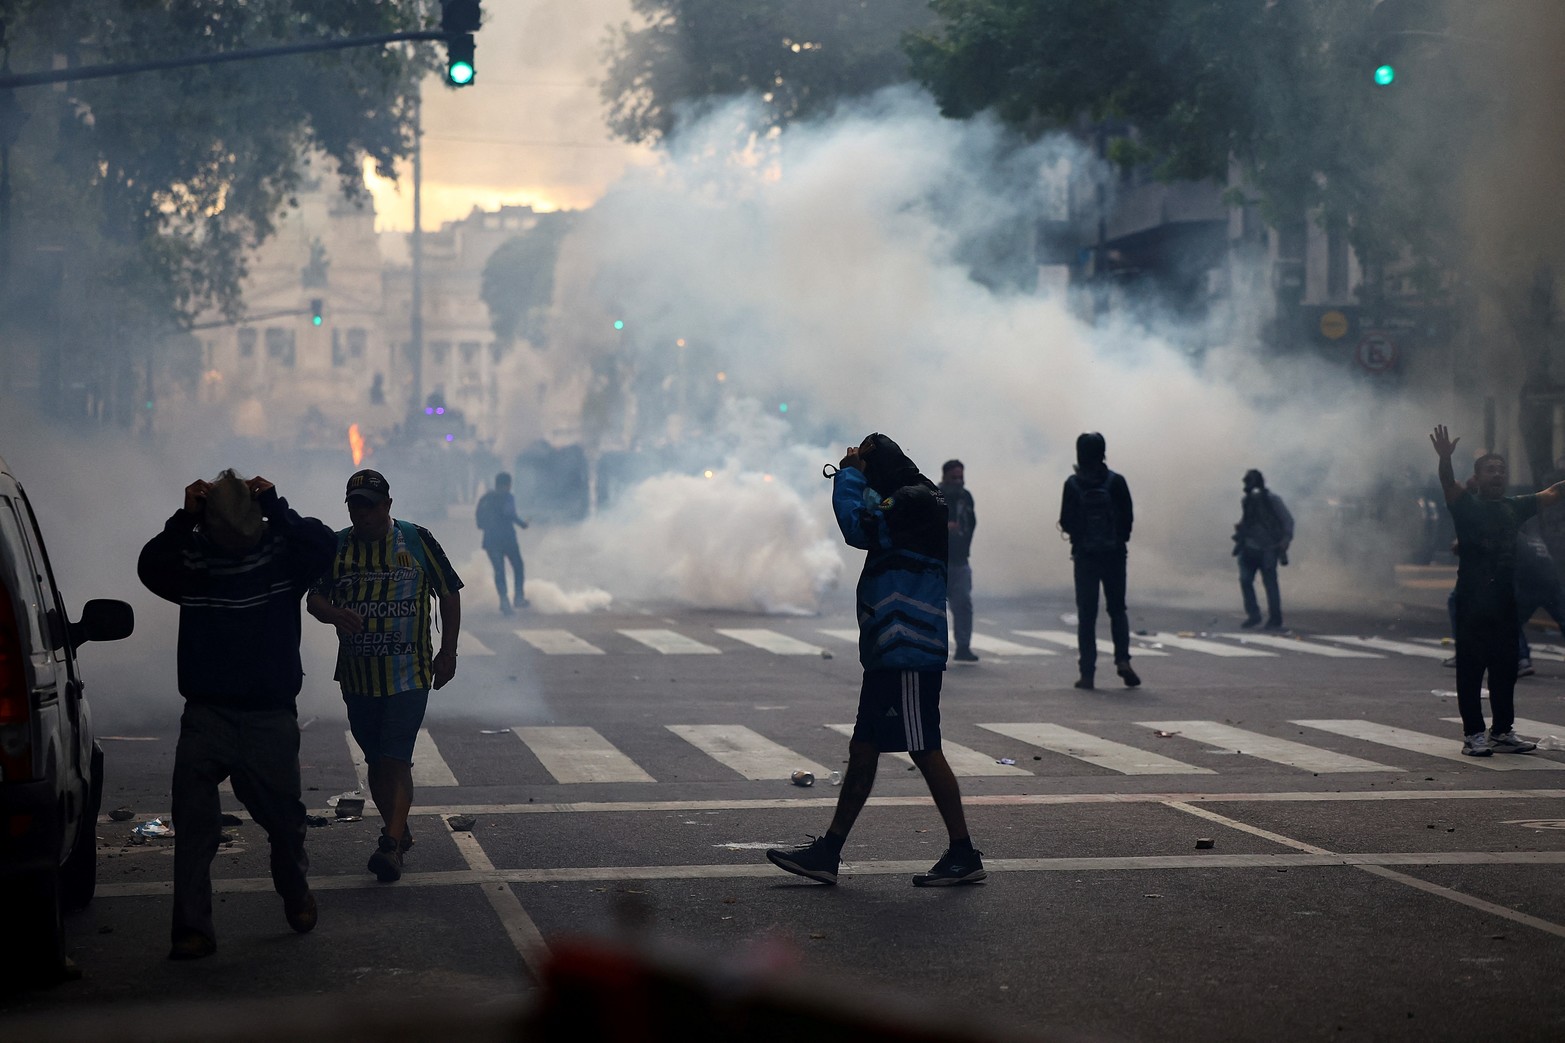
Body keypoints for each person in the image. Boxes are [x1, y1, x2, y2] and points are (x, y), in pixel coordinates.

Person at [767, 433, 985, 887]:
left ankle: (963, 852)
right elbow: (877, 512)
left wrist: (847, 476)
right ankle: (829, 851)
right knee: (864, 749)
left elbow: (858, 527)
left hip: (907, 646)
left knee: (924, 749)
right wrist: (858, 475)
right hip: (893, 645)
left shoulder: (913, 499)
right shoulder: (914, 494)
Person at [137, 470, 337, 960]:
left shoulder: (280, 557)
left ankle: (295, 891)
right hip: (207, 713)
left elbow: (323, 544)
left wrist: (277, 505)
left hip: (268, 715)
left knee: (284, 820)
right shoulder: (194, 559)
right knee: (193, 825)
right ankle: (192, 928)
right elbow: (149, 565)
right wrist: (183, 520)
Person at [306, 469, 464, 882]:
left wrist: (447, 652)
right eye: (355, 506)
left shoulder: (416, 539)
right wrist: (335, 613)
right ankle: (398, 824)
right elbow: (315, 598)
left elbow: (448, 591)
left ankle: (390, 845)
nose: (363, 515)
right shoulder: (336, 545)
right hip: (358, 675)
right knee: (376, 758)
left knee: (396, 757)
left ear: (387, 506)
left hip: (408, 672)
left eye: (370, 506)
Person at [1431, 425, 1565, 756]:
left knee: (1505, 669)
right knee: (1471, 670)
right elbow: (1448, 484)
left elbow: (1551, 493)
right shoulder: (1466, 506)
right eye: (1490, 470)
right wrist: (1445, 458)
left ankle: (1502, 731)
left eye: (1502, 470)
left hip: (1506, 602)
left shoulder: (1514, 506)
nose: (1498, 475)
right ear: (1477, 478)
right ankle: (1473, 734)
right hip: (1472, 602)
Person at [1057, 432, 1140, 689]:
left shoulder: (1072, 484)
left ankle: (1087, 673)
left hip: (1085, 557)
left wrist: (1082, 539)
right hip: (1114, 555)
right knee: (1117, 610)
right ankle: (1123, 660)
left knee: (1087, 615)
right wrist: (1117, 541)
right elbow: (1128, 518)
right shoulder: (1116, 482)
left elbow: (1066, 521)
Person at [1232, 469, 1295, 630]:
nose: (1247, 486)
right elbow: (1247, 520)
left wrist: (1285, 540)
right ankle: (1254, 615)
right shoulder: (1247, 501)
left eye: (1249, 482)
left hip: (1268, 548)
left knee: (1270, 584)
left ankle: (1275, 618)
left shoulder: (1273, 500)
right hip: (1248, 547)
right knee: (1245, 581)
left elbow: (1287, 520)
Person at [940, 458, 978, 662]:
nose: (958, 481)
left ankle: (963, 646)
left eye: (960, 477)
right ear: (944, 476)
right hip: (939, 562)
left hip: (960, 561)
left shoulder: (966, 498)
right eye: (953, 477)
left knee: (963, 603)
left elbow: (972, 523)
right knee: (935, 607)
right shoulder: (935, 496)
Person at [475, 471, 530, 615]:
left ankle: (504, 601)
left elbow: (479, 522)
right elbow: (509, 513)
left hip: (490, 540)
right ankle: (518, 597)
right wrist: (522, 524)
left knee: (499, 571)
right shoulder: (508, 497)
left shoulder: (485, 498)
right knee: (518, 566)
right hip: (507, 539)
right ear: (507, 484)